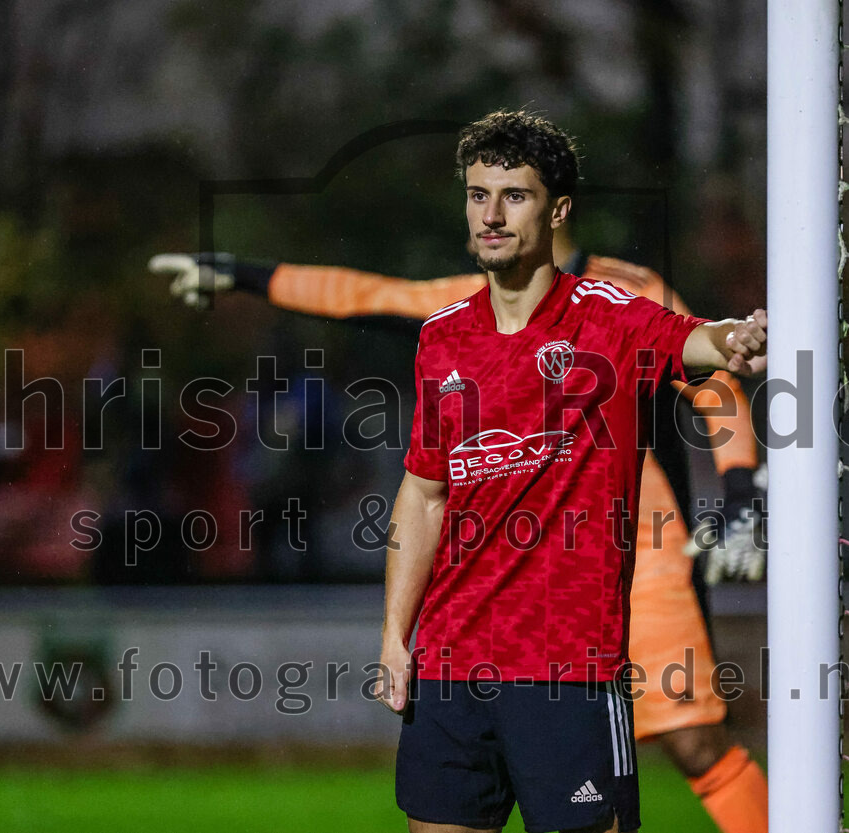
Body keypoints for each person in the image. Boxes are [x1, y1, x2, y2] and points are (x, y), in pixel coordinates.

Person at [152, 153, 768, 833]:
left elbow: (712, 378)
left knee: (692, 738)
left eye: (511, 195)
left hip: (632, 548)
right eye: (480, 195)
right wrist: (246, 275)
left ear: (556, 205)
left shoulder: (627, 292)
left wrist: (741, 491)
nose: (490, 213)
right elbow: (365, 294)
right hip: (484, 600)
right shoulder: (461, 312)